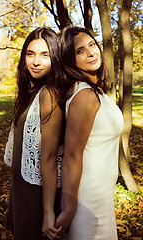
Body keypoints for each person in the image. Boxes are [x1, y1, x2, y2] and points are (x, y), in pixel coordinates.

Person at [55, 26, 124, 240]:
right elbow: (71, 156)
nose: (91, 52)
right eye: (80, 51)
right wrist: (68, 209)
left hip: (101, 196)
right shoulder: (84, 96)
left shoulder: (93, 90)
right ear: (69, 60)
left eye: (92, 45)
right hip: (88, 199)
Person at [4, 27, 64, 240]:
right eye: (30, 54)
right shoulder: (34, 91)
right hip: (22, 188)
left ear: (55, 57)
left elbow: (48, 157)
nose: (35, 61)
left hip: (36, 194)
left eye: (44, 55)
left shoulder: (50, 94)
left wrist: (48, 212)